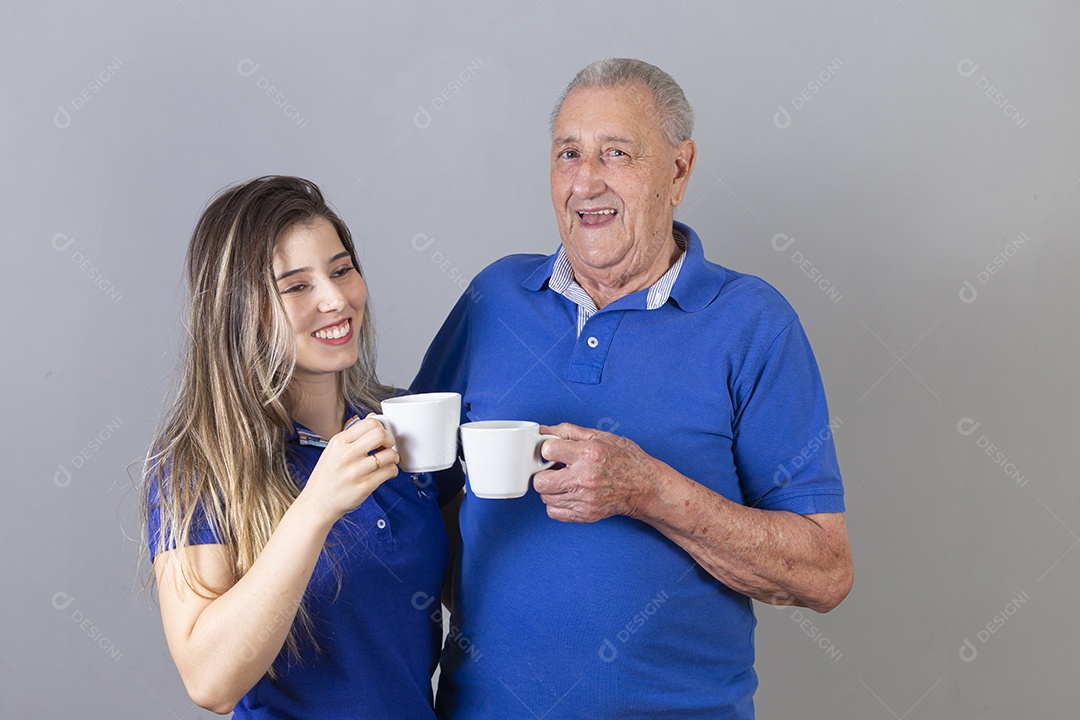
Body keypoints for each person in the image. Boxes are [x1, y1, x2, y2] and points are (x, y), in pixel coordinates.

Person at [412, 59, 853, 719]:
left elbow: (824, 571)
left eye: (616, 153)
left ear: (679, 169)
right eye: (569, 154)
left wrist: (646, 490)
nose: (587, 180)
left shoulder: (753, 323)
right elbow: (417, 489)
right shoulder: (494, 300)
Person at [143, 176, 461, 718]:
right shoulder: (199, 467)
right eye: (296, 287)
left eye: (341, 271)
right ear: (237, 310)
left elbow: (475, 595)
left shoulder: (406, 428)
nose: (336, 299)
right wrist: (316, 506)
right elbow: (210, 681)